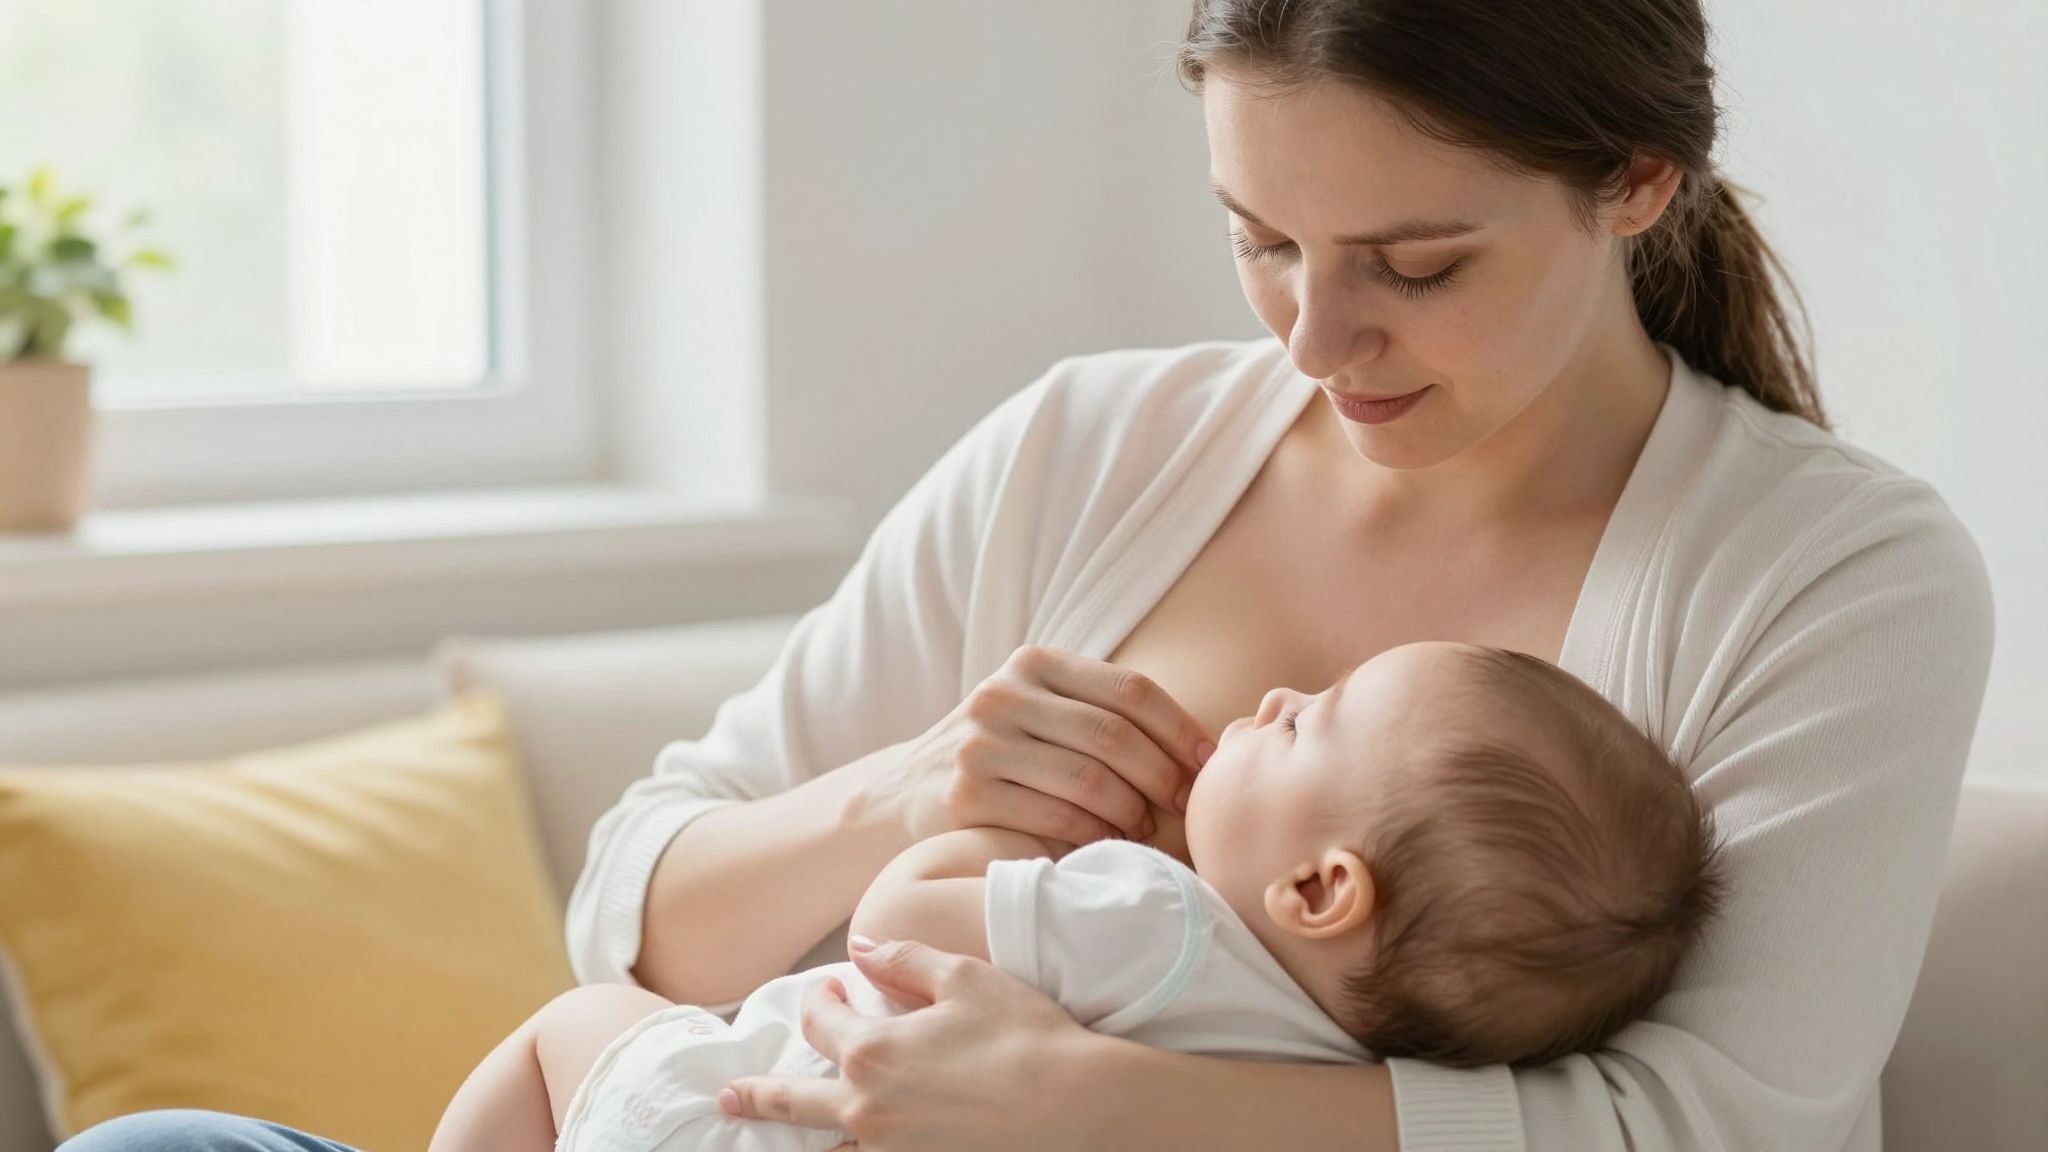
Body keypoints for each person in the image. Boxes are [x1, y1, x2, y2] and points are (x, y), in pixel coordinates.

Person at [61, 0, 1993, 1148]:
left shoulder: (1828, 573)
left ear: (1637, 184)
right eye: (1261, 243)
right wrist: (906, 794)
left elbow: (1718, 1131)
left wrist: (1096, 1106)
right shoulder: (1096, 446)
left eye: (1418, 265)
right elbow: (631, 924)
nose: (1317, 341)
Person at [428, 643, 1726, 1152]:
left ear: (1322, 886)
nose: (1270, 697)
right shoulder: (1331, 1064)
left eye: (1305, 724)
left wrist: (981, 834)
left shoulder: (1153, 921)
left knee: (576, 1025)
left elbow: (905, 925)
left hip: (735, 1123)